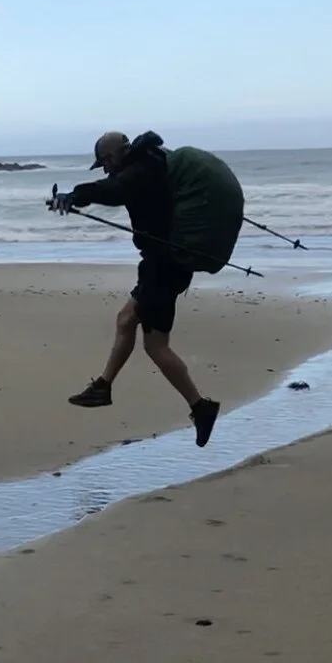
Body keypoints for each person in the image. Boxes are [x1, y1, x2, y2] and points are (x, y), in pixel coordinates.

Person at [54, 130, 245, 448]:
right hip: (160, 264)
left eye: (104, 163)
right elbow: (117, 188)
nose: (106, 169)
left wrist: (74, 195)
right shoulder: (152, 164)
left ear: (114, 157)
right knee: (125, 320)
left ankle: (201, 407)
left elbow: (114, 190)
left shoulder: (143, 169)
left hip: (166, 266)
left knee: (156, 346)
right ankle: (102, 387)